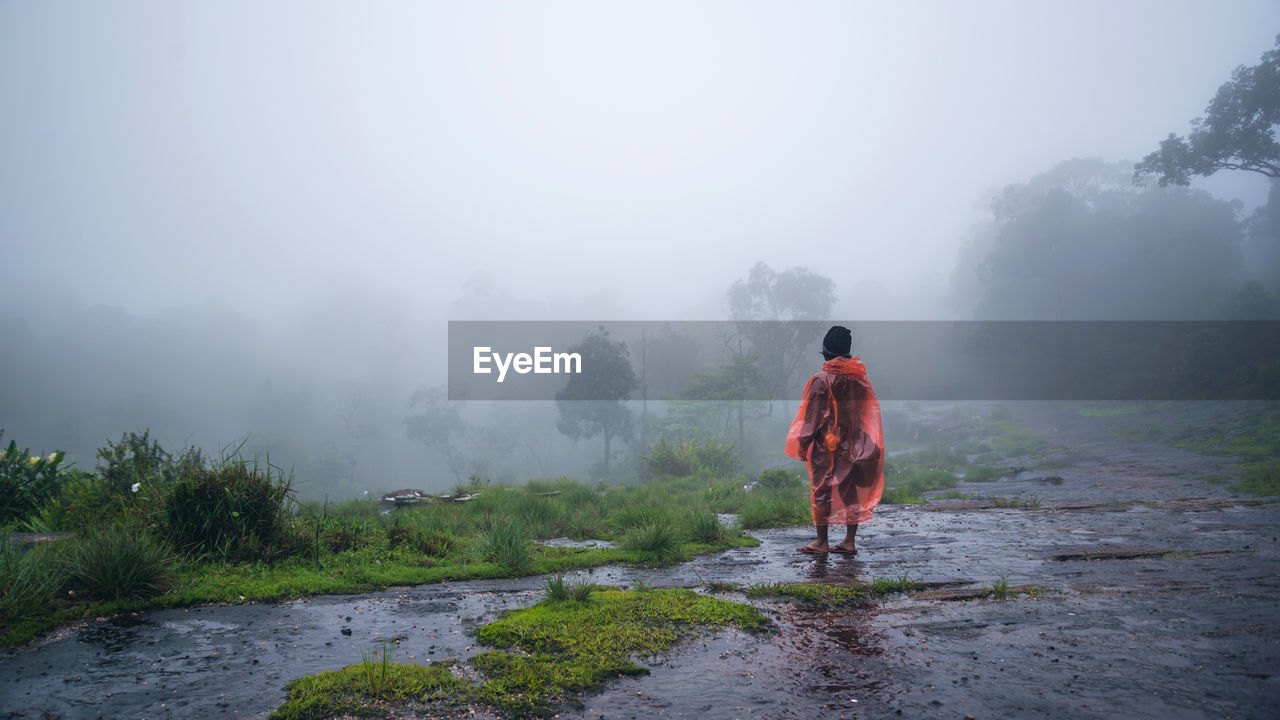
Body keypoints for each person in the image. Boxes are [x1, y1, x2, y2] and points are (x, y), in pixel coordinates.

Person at [784, 325, 885, 554]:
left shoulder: (821, 380)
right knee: (850, 491)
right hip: (857, 442)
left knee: (822, 489)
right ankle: (849, 541)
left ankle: (821, 542)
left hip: (828, 445)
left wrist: (801, 444)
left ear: (826, 352)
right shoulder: (859, 379)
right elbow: (867, 414)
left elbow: (812, 417)